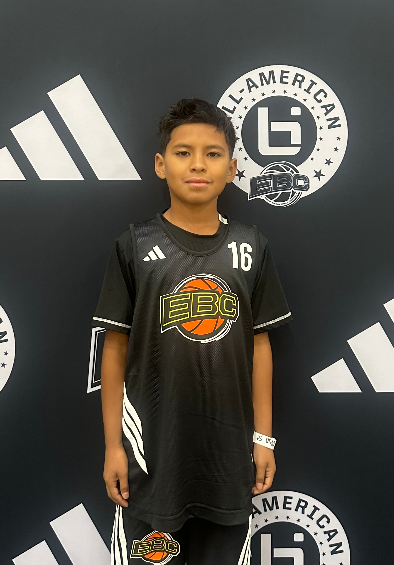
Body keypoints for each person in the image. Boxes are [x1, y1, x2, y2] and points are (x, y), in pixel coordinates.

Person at [92, 98, 292, 564]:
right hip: (151, 462)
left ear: (232, 169)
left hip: (229, 459)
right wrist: (113, 447)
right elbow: (114, 349)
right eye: (183, 153)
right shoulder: (134, 245)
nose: (198, 164)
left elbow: (260, 345)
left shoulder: (251, 246)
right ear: (160, 165)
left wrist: (263, 438)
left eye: (213, 153)